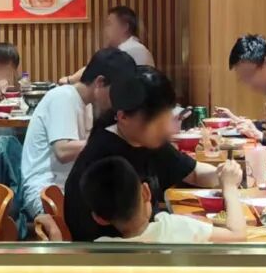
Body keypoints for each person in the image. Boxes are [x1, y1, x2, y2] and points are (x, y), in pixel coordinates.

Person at [64, 67, 232, 242]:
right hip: (114, 253)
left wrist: (226, 175)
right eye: (158, 124)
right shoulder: (107, 162)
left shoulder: (144, 138)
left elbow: (194, 173)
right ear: (123, 117)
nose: (168, 130)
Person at [21, 48, 136, 218]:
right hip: (47, 193)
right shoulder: (63, 97)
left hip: (67, 187)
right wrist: (111, 140)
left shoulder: (87, 104)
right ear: (100, 82)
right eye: (117, 91)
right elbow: (63, 150)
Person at [82, 156, 246, 243]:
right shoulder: (174, 227)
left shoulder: (100, 249)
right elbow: (237, 235)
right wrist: (230, 187)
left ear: (99, 218)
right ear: (146, 192)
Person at [60, 5, 153, 83]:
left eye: (109, 24)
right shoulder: (130, 48)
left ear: (125, 27)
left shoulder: (132, 49)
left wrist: (69, 80)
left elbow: (96, 68)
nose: (105, 30)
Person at [216, 34, 266, 122]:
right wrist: (237, 121)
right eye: (242, 77)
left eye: (249, 74)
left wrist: (256, 130)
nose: (248, 82)